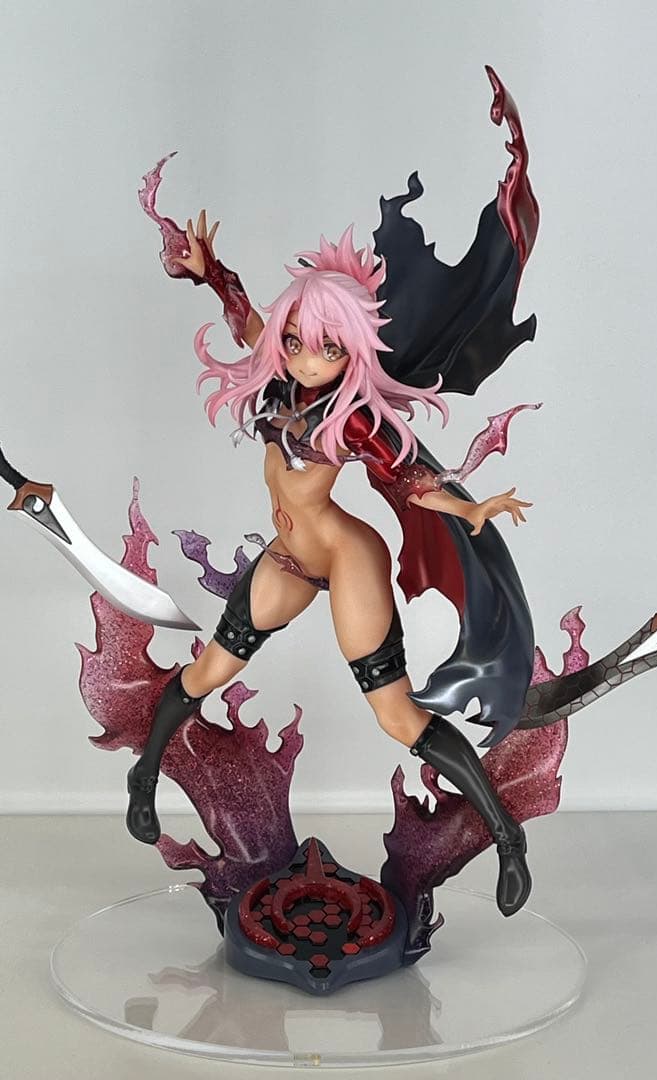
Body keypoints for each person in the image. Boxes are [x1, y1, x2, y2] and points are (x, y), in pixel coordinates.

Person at [130, 66, 540, 916]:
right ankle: (143, 780)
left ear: (352, 349)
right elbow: (245, 316)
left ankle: (506, 834)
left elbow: (410, 479)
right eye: (297, 341)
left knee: (395, 718)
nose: (306, 357)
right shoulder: (277, 378)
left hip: (347, 559)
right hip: (289, 556)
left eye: (326, 347)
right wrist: (210, 270)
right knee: (205, 673)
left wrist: (469, 508)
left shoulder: (352, 421)